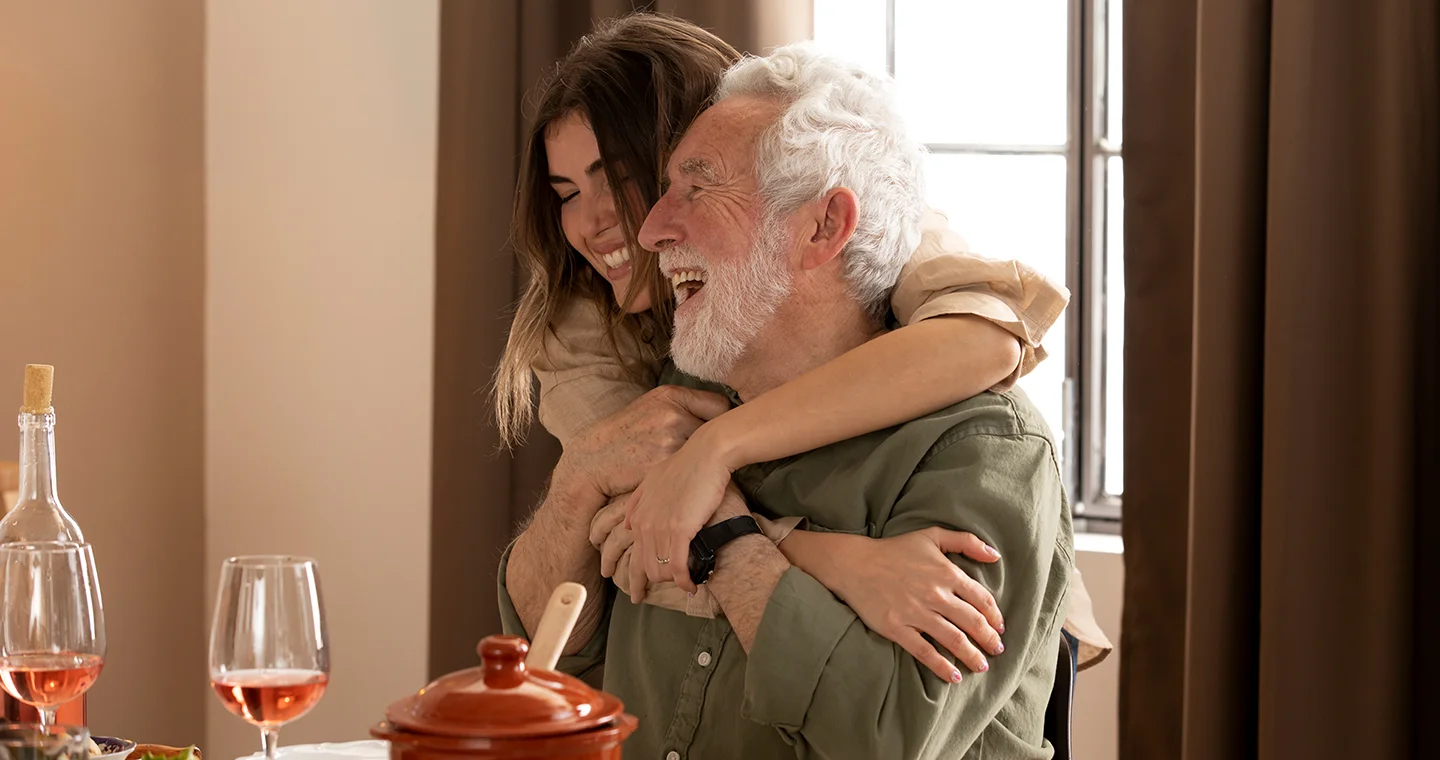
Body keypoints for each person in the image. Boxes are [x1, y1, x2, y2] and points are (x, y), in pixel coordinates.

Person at [494, 12, 1109, 687]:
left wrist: (717, 446)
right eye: (566, 194)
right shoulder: (578, 330)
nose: (593, 221)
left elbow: (987, 338)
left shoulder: (841, 212)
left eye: (616, 177)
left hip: (986, 616)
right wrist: (839, 559)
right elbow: (646, 526)